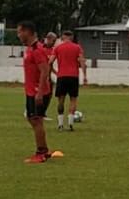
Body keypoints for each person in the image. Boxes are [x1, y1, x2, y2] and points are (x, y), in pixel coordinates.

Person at [19, 21, 54, 163]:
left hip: (36, 92)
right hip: (31, 91)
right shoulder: (30, 49)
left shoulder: (37, 49)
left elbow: (45, 70)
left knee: (36, 120)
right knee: (32, 119)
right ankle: (44, 149)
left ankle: (41, 153)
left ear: (27, 32)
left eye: (20, 32)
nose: (18, 35)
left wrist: (39, 92)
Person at [52, 30, 87, 131]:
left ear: (63, 37)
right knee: (73, 100)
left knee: (61, 100)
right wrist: (84, 76)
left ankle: (60, 124)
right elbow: (82, 62)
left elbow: (50, 61)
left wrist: (55, 72)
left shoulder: (58, 48)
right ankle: (71, 124)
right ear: (72, 37)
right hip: (73, 76)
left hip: (61, 76)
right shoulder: (77, 47)